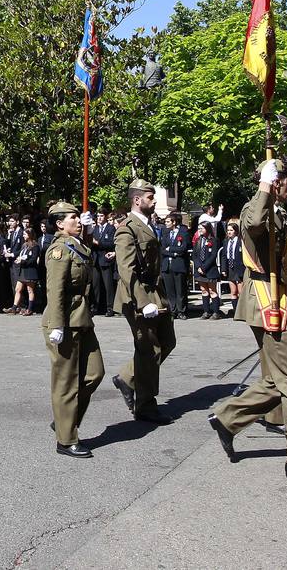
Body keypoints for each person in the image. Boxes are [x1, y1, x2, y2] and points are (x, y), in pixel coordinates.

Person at [207, 158, 287, 487]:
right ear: (276, 182)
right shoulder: (258, 205)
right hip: (268, 303)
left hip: (278, 298)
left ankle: (228, 418)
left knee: (276, 379)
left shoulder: (279, 210)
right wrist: (264, 185)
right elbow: (251, 224)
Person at [111, 178, 174, 425]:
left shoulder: (147, 224)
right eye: (150, 197)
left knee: (168, 341)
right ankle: (146, 406)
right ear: (137, 200)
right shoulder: (127, 228)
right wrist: (142, 301)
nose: (154, 200)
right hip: (138, 295)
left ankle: (127, 377)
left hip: (155, 291)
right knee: (150, 349)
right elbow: (126, 269)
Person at [43, 201, 104, 458]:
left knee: (94, 374)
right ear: (59, 224)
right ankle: (66, 440)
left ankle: (63, 419)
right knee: (66, 383)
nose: (78, 221)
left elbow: (89, 258)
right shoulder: (58, 250)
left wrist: (89, 232)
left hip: (82, 318)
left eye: (79, 217)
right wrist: (57, 324)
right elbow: (55, 290)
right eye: (73, 218)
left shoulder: (77, 244)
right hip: (65, 321)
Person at [159, 213, 189, 319]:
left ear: (174, 222)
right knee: (169, 289)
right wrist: (173, 253)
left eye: (168, 222)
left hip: (178, 264)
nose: (166, 224)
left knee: (180, 289)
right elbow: (162, 249)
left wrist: (170, 249)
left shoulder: (183, 232)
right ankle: (172, 309)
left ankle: (182, 310)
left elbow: (183, 248)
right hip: (167, 264)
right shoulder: (166, 232)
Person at [193, 218, 223, 319]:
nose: (200, 230)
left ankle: (216, 312)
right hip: (199, 270)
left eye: (202, 228)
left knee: (212, 290)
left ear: (207, 228)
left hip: (210, 269)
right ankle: (206, 311)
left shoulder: (213, 240)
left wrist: (204, 267)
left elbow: (213, 255)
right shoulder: (198, 240)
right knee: (203, 290)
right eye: (199, 228)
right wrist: (198, 266)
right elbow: (195, 255)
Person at [7, 229, 40, 315]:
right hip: (22, 271)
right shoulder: (24, 245)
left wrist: (22, 261)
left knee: (30, 290)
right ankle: (14, 307)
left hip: (30, 271)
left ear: (30, 235)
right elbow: (20, 254)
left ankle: (30, 309)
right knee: (18, 289)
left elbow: (33, 259)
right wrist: (15, 257)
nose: (23, 236)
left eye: (25, 234)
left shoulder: (35, 246)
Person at [91, 212, 117, 318]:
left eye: (101, 216)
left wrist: (98, 243)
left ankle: (110, 307)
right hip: (96, 259)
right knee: (95, 285)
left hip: (106, 259)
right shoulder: (95, 228)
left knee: (108, 285)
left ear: (105, 217)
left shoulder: (111, 229)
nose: (99, 218)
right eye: (97, 216)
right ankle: (95, 307)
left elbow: (111, 243)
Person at [219, 221, 242, 316]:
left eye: (231, 230)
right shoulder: (226, 241)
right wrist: (224, 269)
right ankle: (235, 310)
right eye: (228, 230)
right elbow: (224, 256)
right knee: (233, 291)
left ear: (236, 231)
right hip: (230, 268)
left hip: (239, 267)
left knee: (241, 292)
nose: (229, 232)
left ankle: (242, 311)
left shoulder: (241, 241)